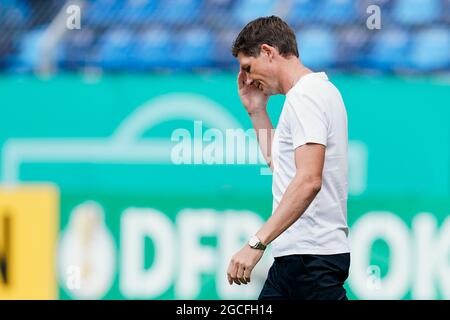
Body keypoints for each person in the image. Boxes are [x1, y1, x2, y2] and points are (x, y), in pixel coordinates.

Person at [226, 15, 351, 300]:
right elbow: (285, 168)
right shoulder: (312, 93)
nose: (247, 78)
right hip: (302, 259)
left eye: (248, 67)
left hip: (309, 258)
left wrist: (256, 243)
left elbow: (308, 180)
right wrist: (256, 111)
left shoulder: (306, 96)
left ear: (268, 52)